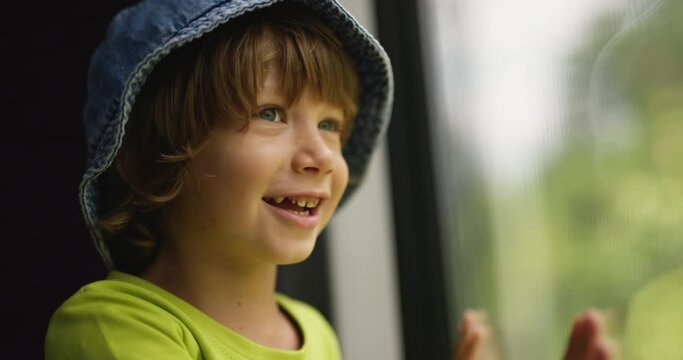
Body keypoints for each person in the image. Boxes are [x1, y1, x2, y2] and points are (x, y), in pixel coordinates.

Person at [44, 0, 614, 359]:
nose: (321, 153)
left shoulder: (313, 332)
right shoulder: (111, 326)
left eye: (331, 123)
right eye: (270, 113)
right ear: (151, 157)